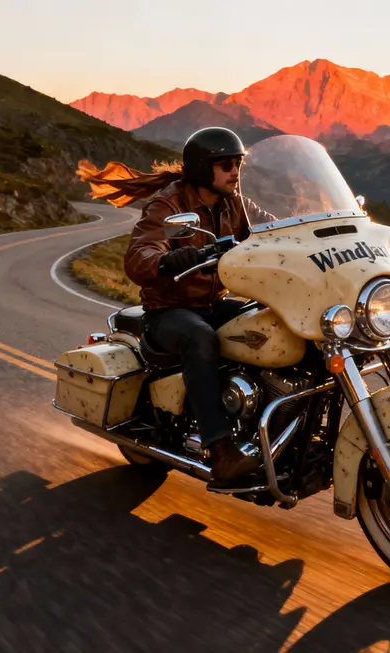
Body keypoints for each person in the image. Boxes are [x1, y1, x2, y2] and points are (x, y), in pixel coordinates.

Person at [76, 127, 274, 483]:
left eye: (238, 164)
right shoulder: (168, 205)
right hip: (167, 313)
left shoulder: (235, 202)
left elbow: (275, 228)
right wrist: (167, 260)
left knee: (267, 325)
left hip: (214, 303)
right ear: (202, 169)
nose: (235, 172)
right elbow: (139, 255)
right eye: (226, 165)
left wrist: (310, 234)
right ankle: (220, 450)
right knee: (199, 337)